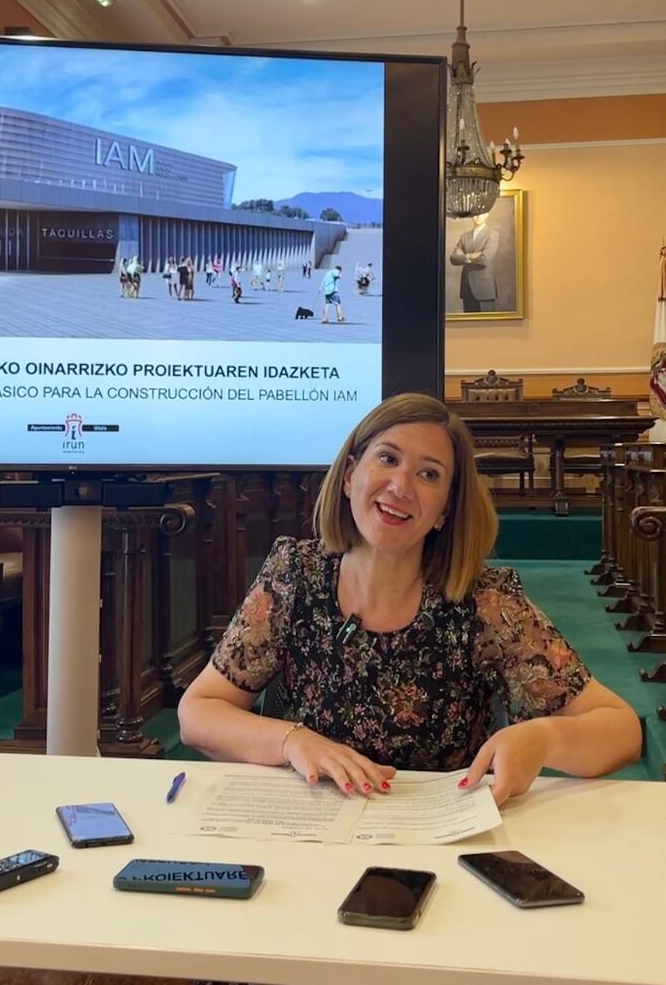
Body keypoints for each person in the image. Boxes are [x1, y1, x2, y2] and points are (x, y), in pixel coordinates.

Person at [177, 394, 640, 803]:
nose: (401, 486)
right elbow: (198, 714)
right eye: (387, 459)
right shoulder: (295, 574)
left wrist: (543, 738)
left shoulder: (484, 602)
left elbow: (621, 730)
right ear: (349, 476)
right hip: (308, 831)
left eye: (429, 474)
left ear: (444, 511)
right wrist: (292, 742)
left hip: (432, 846)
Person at [451, 210, 502, 313]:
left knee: (488, 326)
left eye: (480, 213)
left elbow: (484, 260)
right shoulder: (464, 236)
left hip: (484, 288)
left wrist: (463, 257)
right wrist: (469, 256)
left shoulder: (492, 234)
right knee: (468, 326)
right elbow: (453, 258)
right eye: (474, 214)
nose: (477, 216)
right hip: (467, 288)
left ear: (486, 215)